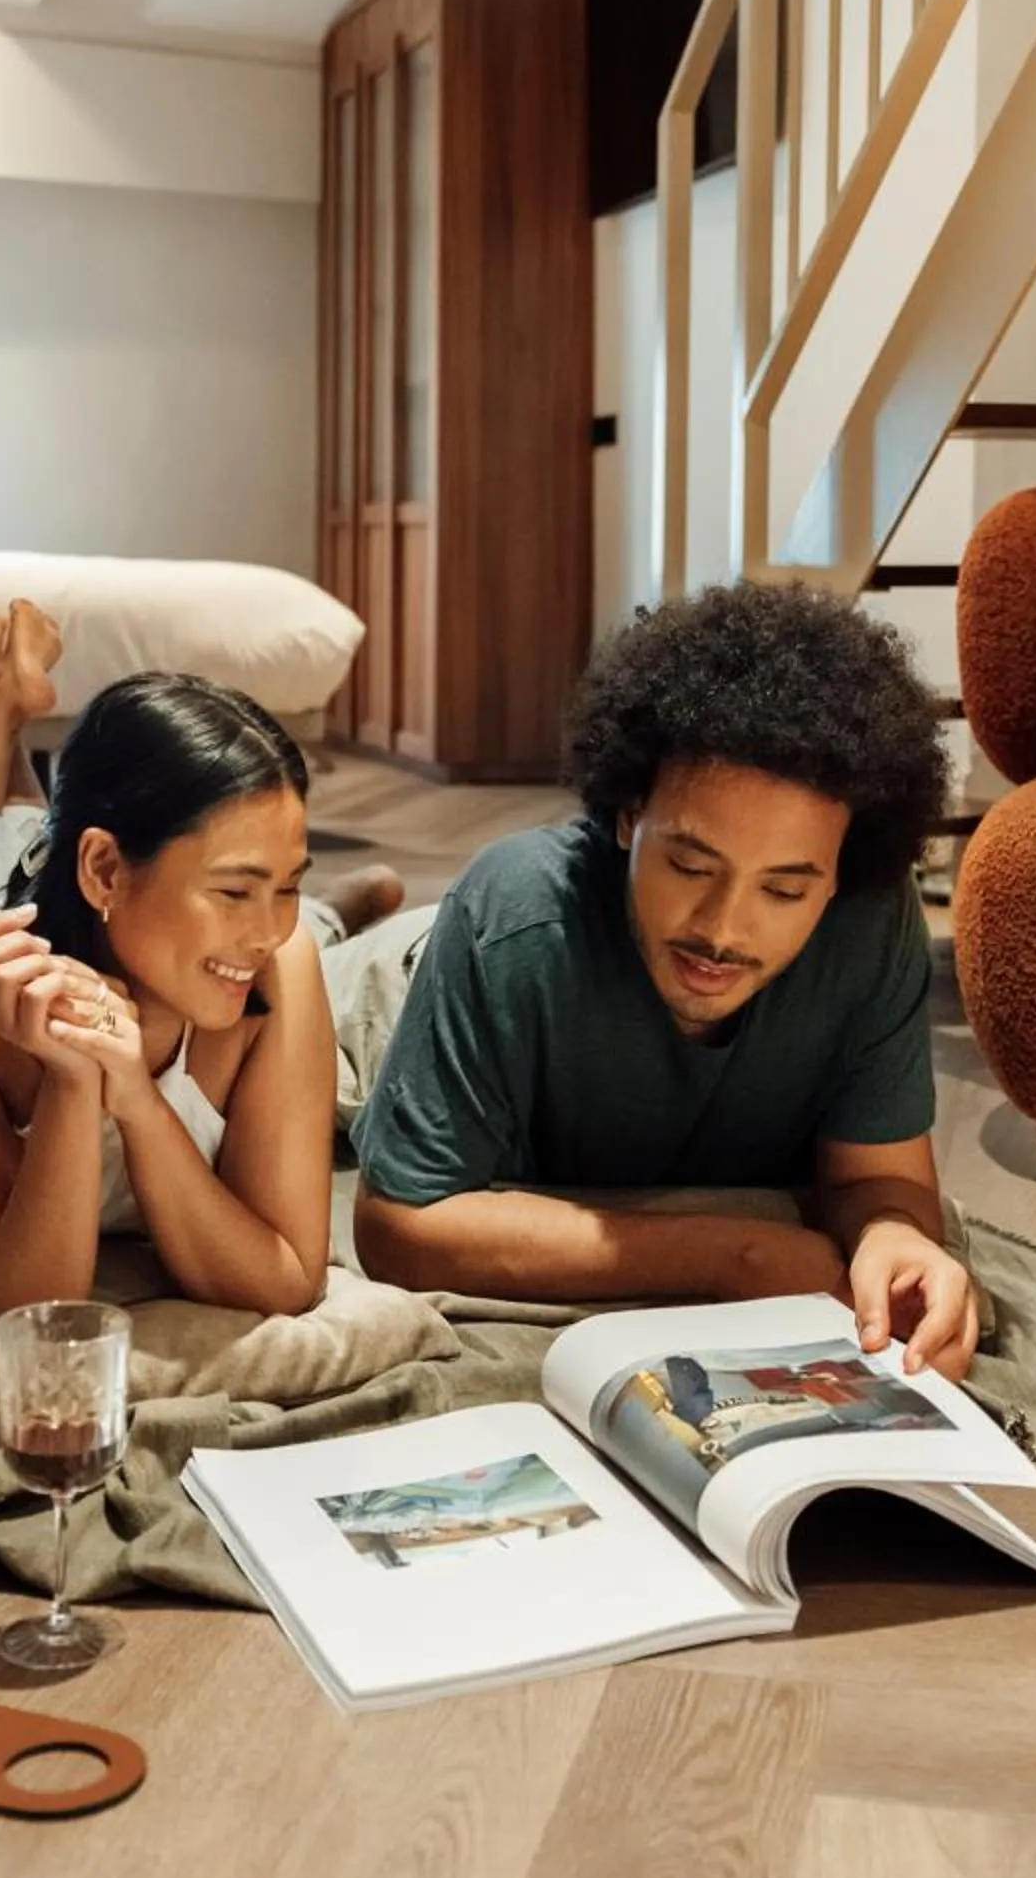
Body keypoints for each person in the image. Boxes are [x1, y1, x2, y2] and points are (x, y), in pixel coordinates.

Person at [351, 579, 980, 1380]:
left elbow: (879, 1177)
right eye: (689, 864)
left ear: (837, 875)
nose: (723, 927)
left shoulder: (869, 920)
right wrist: (735, 1256)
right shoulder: (511, 915)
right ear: (624, 816)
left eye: (784, 891)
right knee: (292, 972)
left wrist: (894, 1233)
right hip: (385, 997)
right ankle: (339, 914)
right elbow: (400, 1222)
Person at [0, 602, 400, 1333]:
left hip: (77, 900)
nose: (269, 930)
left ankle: (1, 713)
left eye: (290, 886)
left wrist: (137, 1097)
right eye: (235, 890)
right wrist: (75, 1082)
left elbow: (288, 1278)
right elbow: (8, 1307)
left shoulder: (276, 959)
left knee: (27, 858)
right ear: (105, 871)